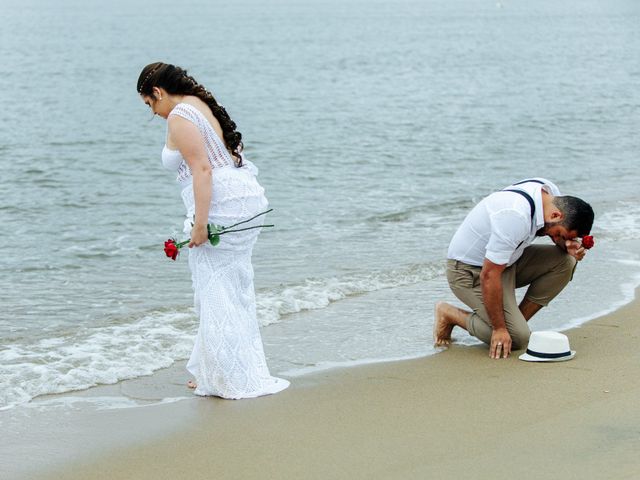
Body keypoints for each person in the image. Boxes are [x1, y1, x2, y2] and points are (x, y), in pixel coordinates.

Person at [137, 62, 289, 398]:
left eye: (150, 104)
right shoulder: (200, 102)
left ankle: (228, 376)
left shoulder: (179, 115)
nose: (154, 113)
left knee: (215, 288)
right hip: (243, 199)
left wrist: (201, 224)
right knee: (231, 286)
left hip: (222, 207)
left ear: (158, 92)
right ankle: (217, 368)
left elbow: (202, 170)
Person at [434, 178, 594, 359]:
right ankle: (449, 314)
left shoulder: (550, 195)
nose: (558, 238)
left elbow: (557, 240)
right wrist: (499, 328)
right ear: (556, 216)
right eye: (560, 235)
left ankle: (514, 324)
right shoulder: (515, 216)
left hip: (508, 262)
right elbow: (489, 274)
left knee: (565, 262)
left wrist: (567, 246)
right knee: (518, 340)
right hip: (469, 272)